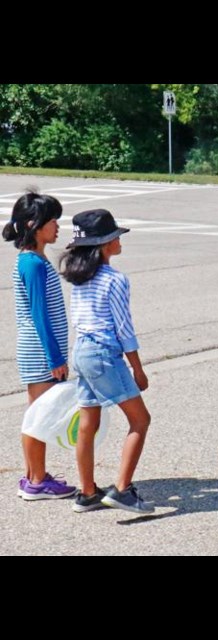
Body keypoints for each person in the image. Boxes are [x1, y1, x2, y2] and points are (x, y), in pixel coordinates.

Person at [60, 209, 154, 514]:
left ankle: (87, 492)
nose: (118, 239)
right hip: (103, 353)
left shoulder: (79, 278)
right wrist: (137, 368)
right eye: (114, 235)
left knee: (89, 421)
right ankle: (123, 490)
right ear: (103, 245)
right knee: (140, 420)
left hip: (82, 352)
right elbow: (124, 328)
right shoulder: (114, 279)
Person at [3, 192, 77, 500]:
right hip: (39, 350)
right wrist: (56, 356)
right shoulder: (32, 263)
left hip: (41, 349)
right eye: (51, 221)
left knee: (40, 414)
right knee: (39, 416)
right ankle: (36, 480)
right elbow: (39, 313)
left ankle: (35, 475)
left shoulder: (36, 258)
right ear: (33, 225)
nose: (57, 226)